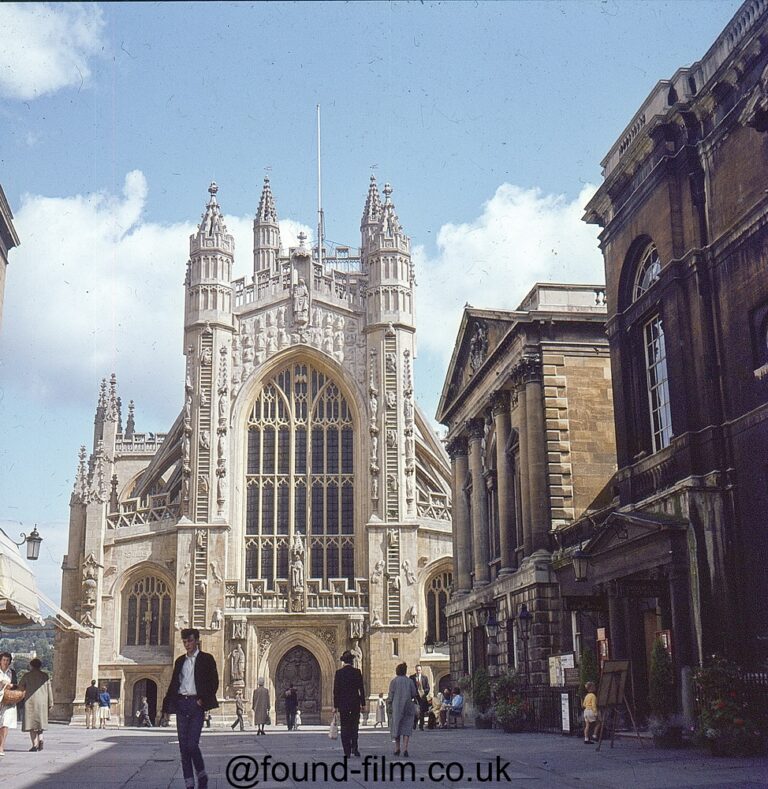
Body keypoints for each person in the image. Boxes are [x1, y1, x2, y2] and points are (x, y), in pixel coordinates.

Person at [161, 628, 219, 789]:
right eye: (185, 642)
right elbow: (174, 684)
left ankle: (201, 774)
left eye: (190, 641)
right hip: (182, 704)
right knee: (183, 747)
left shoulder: (207, 659)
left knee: (192, 745)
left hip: (196, 704)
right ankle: (189, 783)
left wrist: (203, 701)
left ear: (197, 641)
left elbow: (213, 682)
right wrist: (167, 706)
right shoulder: (180, 661)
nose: (187, 644)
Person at [333, 649, 366, 759]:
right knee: (354, 726)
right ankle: (355, 748)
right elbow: (361, 689)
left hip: (343, 704)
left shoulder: (339, 673)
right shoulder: (357, 672)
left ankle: (346, 751)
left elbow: (336, 691)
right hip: (355, 703)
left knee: (345, 727)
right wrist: (363, 703)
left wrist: (335, 706)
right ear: (352, 662)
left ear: (343, 662)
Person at [19, 659, 53, 751]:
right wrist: (50, 702)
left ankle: (34, 745)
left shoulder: (27, 676)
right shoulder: (45, 676)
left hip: (30, 702)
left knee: (31, 725)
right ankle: (41, 739)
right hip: (42, 702)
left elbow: (20, 686)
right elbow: (49, 690)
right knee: (40, 724)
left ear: (31, 666)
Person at [388, 662, 417, 758]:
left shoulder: (394, 681)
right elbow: (414, 693)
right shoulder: (410, 681)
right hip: (408, 706)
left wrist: (389, 705)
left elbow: (391, 695)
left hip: (397, 707)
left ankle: (397, 748)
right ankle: (405, 748)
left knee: (397, 726)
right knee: (407, 727)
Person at [0, 651, 19, 757]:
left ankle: (1, 746)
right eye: (4, 660)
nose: (6, 662)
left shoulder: (12, 672)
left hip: (8, 700)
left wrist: (11, 685)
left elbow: (16, 685)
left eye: (7, 660)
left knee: (5, 723)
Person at [410, 664, 430, 731]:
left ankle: (421, 726)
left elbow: (428, 688)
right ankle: (414, 724)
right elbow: (410, 687)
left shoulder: (425, 678)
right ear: (415, 670)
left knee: (422, 712)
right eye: (417, 670)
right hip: (415, 697)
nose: (418, 671)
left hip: (423, 697)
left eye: (419, 670)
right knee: (416, 712)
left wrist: (424, 693)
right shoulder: (412, 678)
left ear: (421, 670)